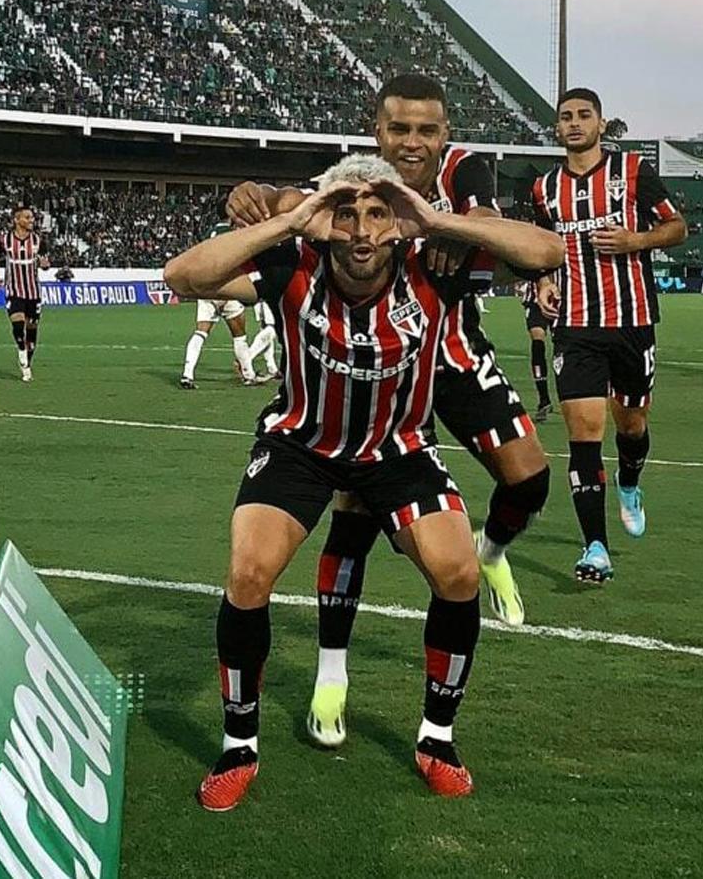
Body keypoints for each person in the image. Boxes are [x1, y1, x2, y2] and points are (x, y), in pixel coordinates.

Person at [164, 155, 563, 811]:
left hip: (398, 451)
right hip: (301, 444)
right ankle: (239, 746)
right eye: (346, 213)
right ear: (327, 218)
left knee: (458, 573)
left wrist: (434, 219)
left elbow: (544, 252)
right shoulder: (293, 264)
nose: (360, 230)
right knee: (248, 573)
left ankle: (436, 738)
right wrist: (289, 222)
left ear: (397, 220)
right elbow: (182, 277)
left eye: (377, 213)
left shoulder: (433, 266)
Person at [227, 74, 553, 752]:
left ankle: (488, 553)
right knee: (352, 512)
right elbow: (295, 202)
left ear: (445, 136)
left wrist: (437, 224)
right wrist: (262, 194)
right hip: (368, 363)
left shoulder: (465, 175)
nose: (411, 143)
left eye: (425, 131)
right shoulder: (356, 183)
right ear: (375, 132)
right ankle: (330, 676)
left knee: (528, 475)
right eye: (397, 130)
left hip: (448, 349)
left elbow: (523, 244)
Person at [532, 88, 688, 584]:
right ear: (556, 129)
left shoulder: (634, 171)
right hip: (576, 327)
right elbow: (542, 247)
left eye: (584, 116)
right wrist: (544, 280)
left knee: (632, 426)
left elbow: (678, 227)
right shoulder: (543, 190)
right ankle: (594, 546)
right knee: (582, 435)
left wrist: (635, 240)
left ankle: (629, 480)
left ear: (601, 124)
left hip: (632, 320)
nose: (574, 124)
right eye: (565, 118)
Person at [179, 219, 260, 389]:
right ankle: (249, 375)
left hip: (208, 289)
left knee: (200, 332)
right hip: (228, 288)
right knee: (239, 336)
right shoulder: (234, 234)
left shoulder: (207, 234)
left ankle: (187, 374)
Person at [0, 204, 49, 383]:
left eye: (32, 218)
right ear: (17, 220)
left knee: (32, 328)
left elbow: (45, 261)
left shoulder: (38, 240)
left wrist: (45, 265)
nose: (31, 221)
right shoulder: (4, 240)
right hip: (14, 290)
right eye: (27, 218)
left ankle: (27, 363)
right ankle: (21, 350)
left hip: (33, 291)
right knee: (17, 323)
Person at [519, 279, 554, 419]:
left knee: (563, 348)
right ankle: (544, 398)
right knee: (537, 342)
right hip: (534, 302)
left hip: (561, 300)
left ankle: (570, 396)